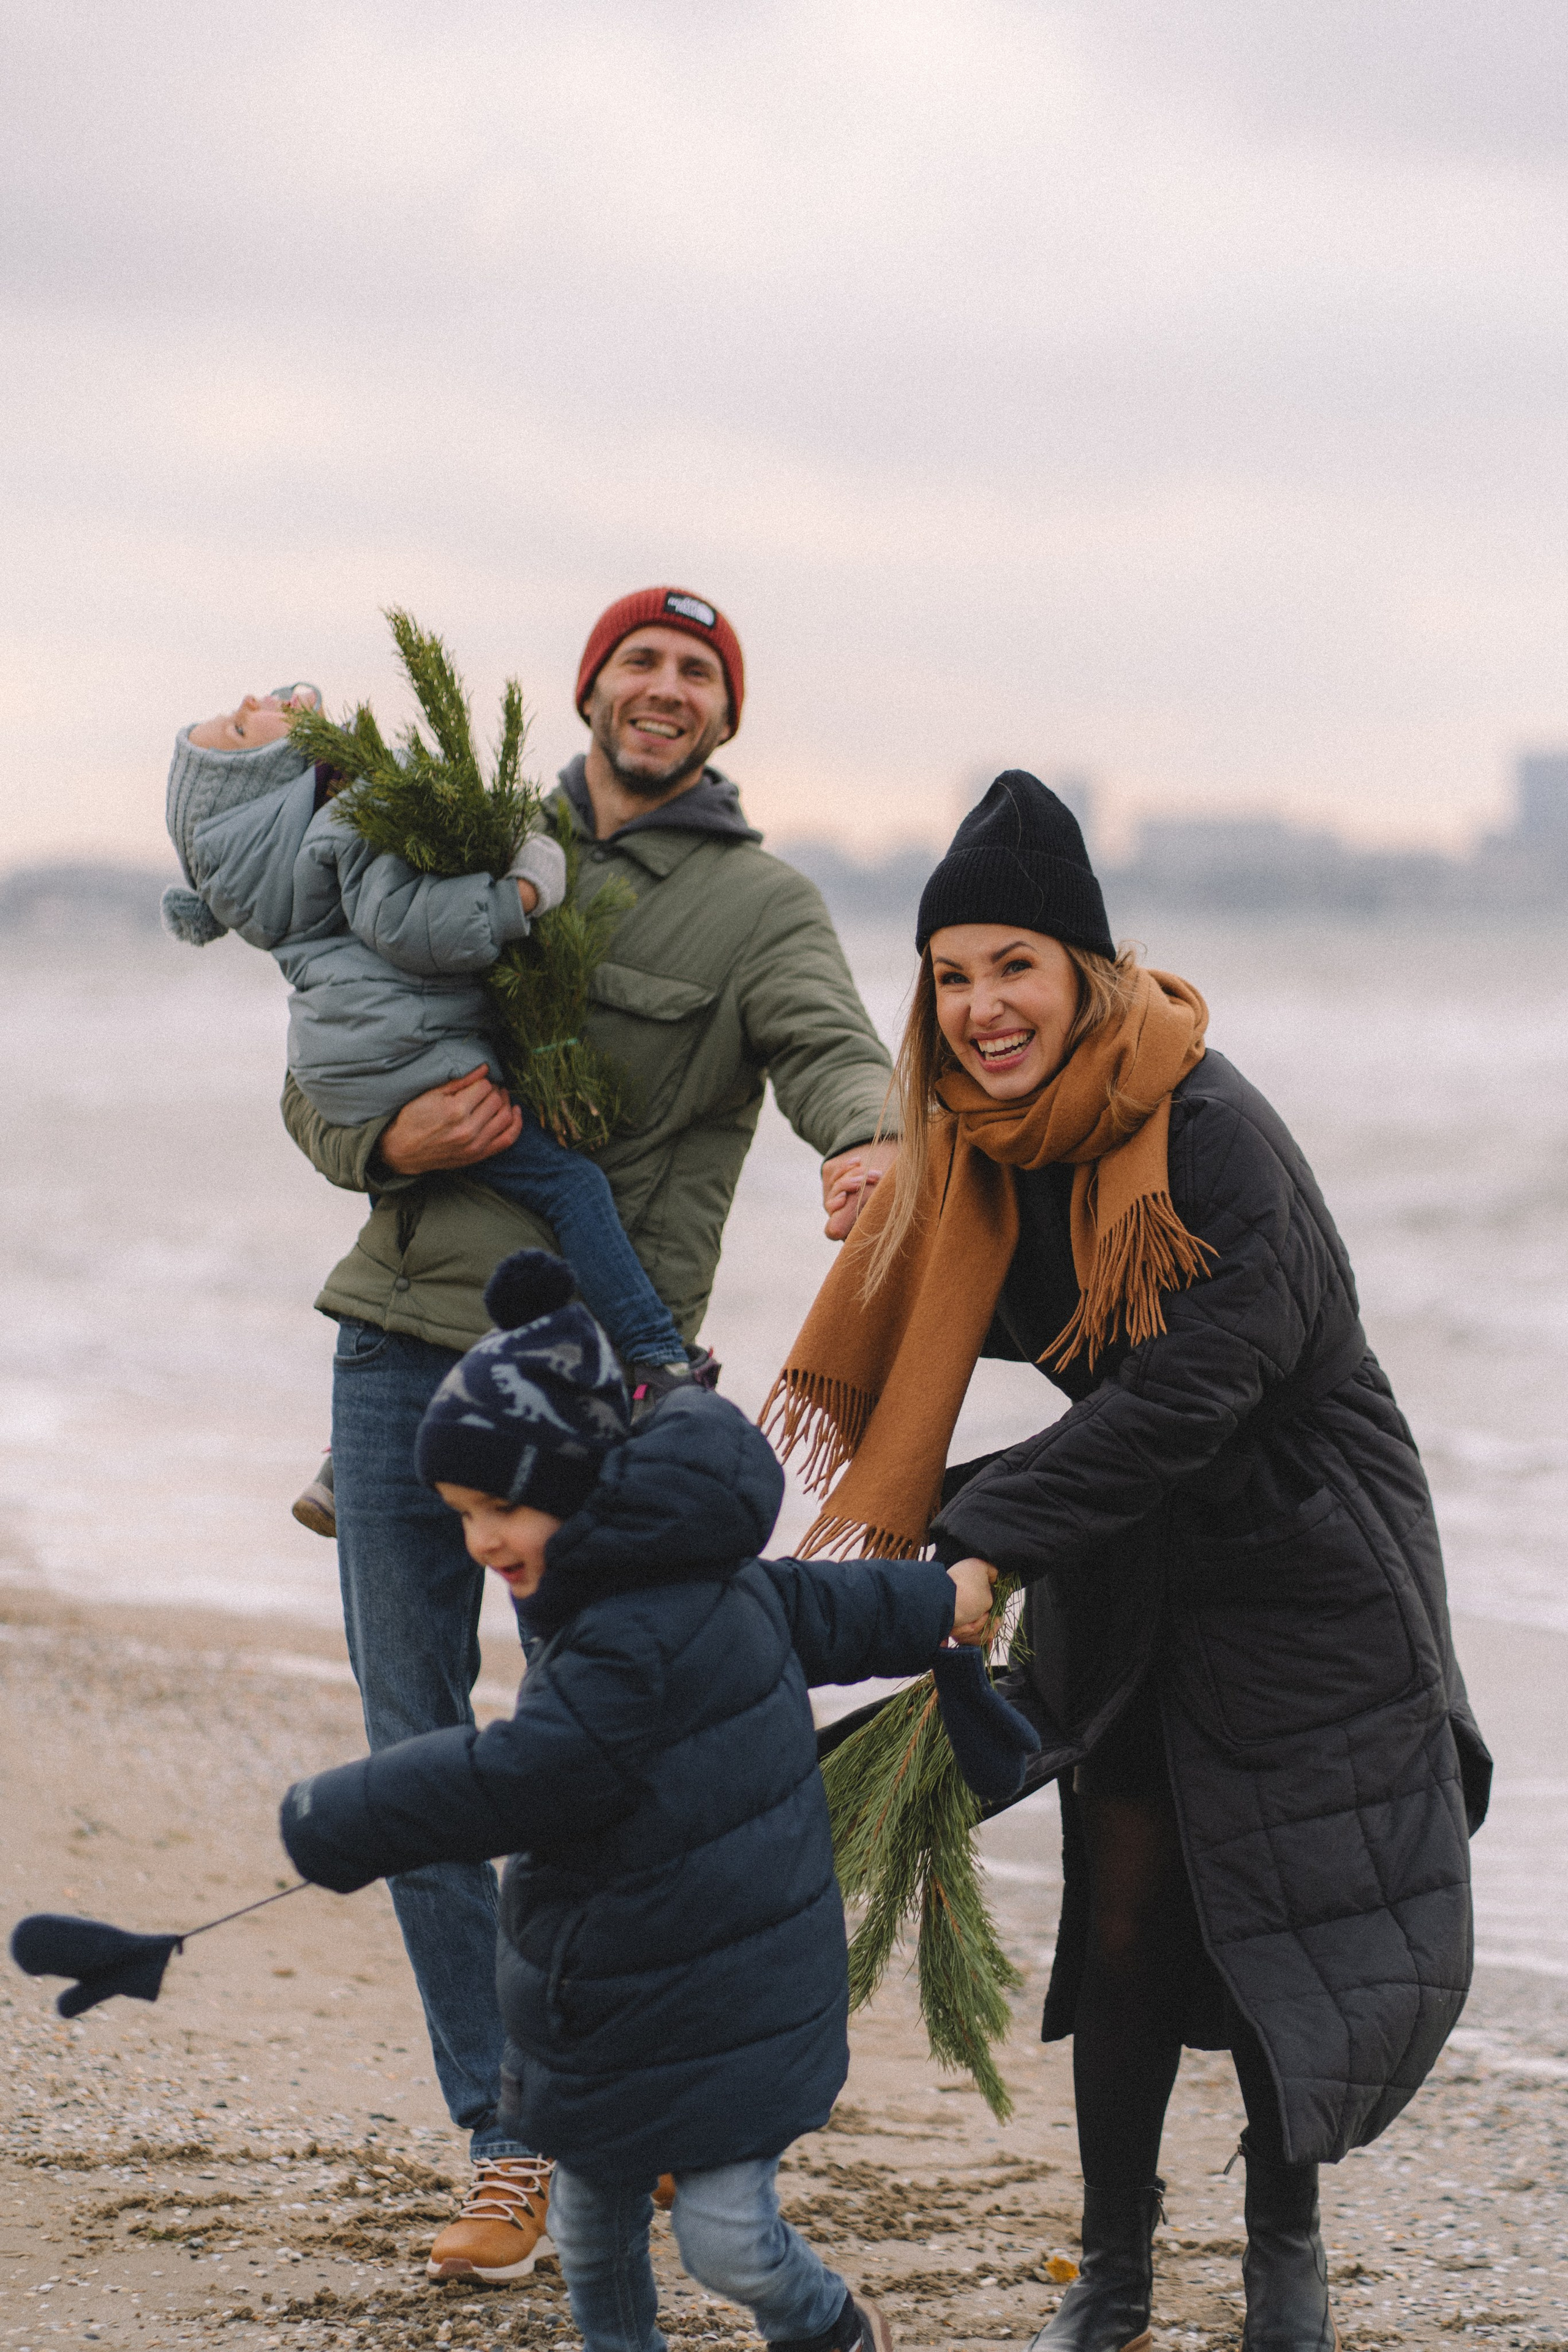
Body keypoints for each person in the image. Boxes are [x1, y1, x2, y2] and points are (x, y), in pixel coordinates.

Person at [767, 771, 1491, 2352]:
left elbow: (1196, 1390)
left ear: (1085, 970)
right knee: (1123, 1914)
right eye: (950, 977)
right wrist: (905, 1201)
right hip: (1130, 1548)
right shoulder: (985, 1148)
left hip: (1308, 1558)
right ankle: (1111, 2277)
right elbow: (1069, 1354)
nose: (979, 1009)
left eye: (1011, 967)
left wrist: (971, 1533)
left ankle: (1283, 2259)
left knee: (1289, 1912)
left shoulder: (1216, 1127)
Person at [274, 589, 900, 2277]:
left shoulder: (760, 904)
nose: (667, 688)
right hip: (396, 1352)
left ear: (723, 716)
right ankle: (506, 2141)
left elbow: (836, 1049)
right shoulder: (465, 846)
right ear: (594, 685)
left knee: (596, 1763)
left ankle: (623, 2112)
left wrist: (866, 1145)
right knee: (418, 1751)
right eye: (645, 659)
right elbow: (322, 1049)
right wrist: (389, 1144)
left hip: (594, 1396)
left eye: (699, 671)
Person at [277, 1249, 995, 2352]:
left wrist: (350, 1815)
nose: (479, 1542)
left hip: (729, 2007)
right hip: (614, 2000)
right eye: (462, 1513)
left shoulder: (623, 1640)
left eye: (499, 1509)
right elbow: (828, 1607)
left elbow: (519, 1776)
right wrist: (936, 1597)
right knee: (594, 2227)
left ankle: (831, 2328)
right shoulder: (674, 1573)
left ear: (574, 1481)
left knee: (726, 2238)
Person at [158, 680, 699, 1526]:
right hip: (405, 1055)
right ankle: (659, 1363)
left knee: (413, 1216)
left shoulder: (248, 876)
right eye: (238, 723)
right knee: (571, 1187)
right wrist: (525, 887)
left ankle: (351, 1453)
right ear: (265, 783)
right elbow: (415, 928)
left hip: (343, 1064)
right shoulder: (345, 824)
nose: (252, 695)